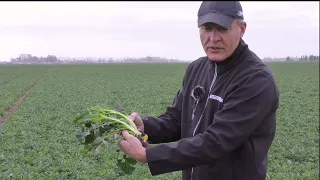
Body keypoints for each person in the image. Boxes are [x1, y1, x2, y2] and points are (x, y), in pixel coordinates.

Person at [117, 1, 280, 180]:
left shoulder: (255, 80)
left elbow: (216, 142)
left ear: (241, 29)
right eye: (207, 28)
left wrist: (148, 155)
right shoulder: (197, 68)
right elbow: (176, 120)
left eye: (222, 28)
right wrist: (144, 126)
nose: (213, 38)